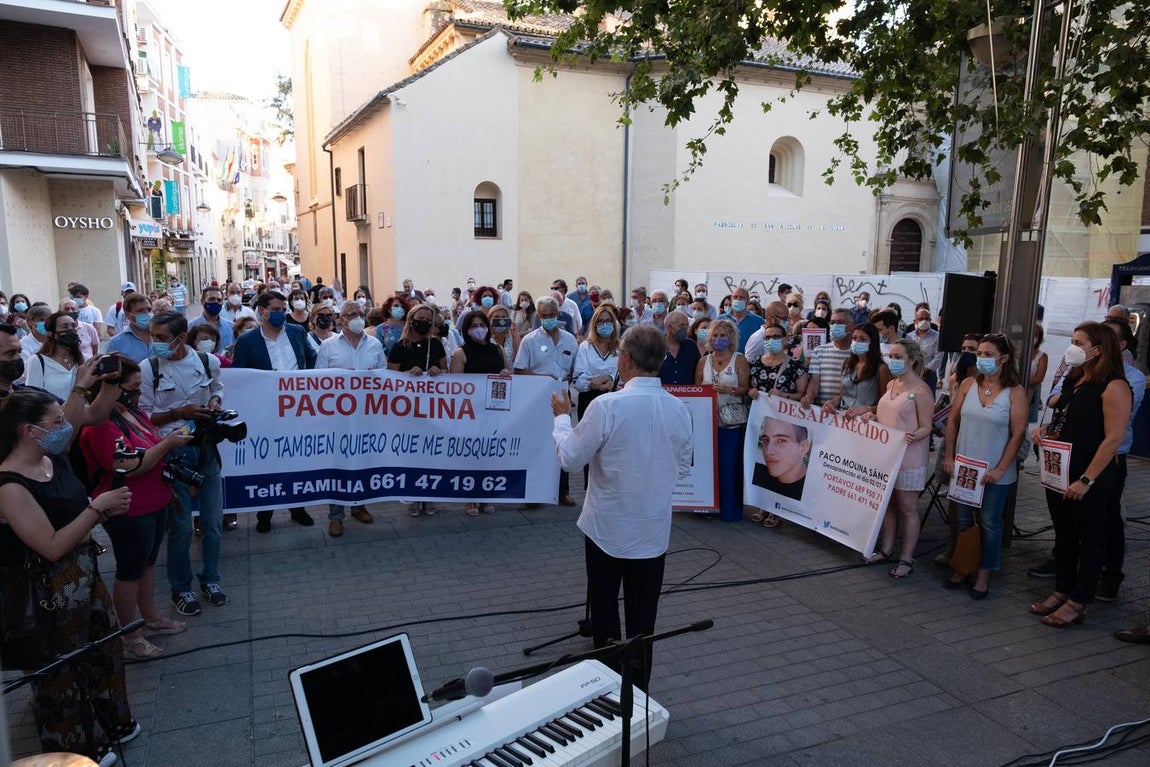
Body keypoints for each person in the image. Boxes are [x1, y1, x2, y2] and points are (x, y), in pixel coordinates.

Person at [551, 324, 692, 692]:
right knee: (644, 620)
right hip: (651, 530)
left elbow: (568, 458)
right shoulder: (679, 409)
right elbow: (685, 466)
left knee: (605, 613)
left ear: (625, 359)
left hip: (607, 529)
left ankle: (609, 692)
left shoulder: (607, 405)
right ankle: (640, 693)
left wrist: (562, 418)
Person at [0, 389, 135, 765]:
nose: (65, 427)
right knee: (60, 676)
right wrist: (97, 510)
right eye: (57, 421)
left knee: (104, 653)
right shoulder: (10, 485)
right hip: (49, 594)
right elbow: (51, 546)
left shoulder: (53, 460)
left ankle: (112, 726)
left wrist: (98, 514)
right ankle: (73, 751)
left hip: (85, 577)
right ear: (29, 430)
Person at [79, 360, 193, 658]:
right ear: (109, 387)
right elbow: (124, 465)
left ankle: (151, 617)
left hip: (155, 502)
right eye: (130, 388)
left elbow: (150, 443)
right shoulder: (100, 424)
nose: (137, 393)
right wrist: (167, 445)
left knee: (148, 564)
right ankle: (130, 634)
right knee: (130, 571)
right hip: (128, 510)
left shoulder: (132, 413)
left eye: (139, 387)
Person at [1029, 322, 1131, 628]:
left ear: (1098, 350)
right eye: (1072, 340)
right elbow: (1067, 418)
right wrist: (1047, 429)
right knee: (1064, 534)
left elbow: (1113, 439)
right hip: (1060, 470)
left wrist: (1086, 480)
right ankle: (1063, 588)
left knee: (1090, 537)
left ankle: (1079, 599)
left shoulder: (1114, 386)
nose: (1072, 347)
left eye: (1079, 342)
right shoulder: (1076, 378)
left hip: (1089, 475)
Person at [139, 311, 228, 616]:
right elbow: (145, 416)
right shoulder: (148, 369)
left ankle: (211, 579)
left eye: (161, 337)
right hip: (172, 453)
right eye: (152, 336)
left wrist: (214, 404)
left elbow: (217, 390)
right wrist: (181, 412)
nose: (155, 342)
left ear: (180, 338)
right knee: (180, 529)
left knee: (213, 524)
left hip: (205, 449)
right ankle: (181, 587)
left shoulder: (208, 362)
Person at [941, 334, 1028, 597]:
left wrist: (1001, 468)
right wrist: (949, 455)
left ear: (1004, 358)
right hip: (965, 467)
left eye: (988, 354)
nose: (981, 359)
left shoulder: (1015, 392)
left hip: (995, 472)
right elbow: (953, 421)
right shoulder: (968, 384)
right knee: (963, 519)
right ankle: (964, 565)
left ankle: (984, 573)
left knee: (990, 522)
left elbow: (1018, 434)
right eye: (979, 354)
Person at [232, 291, 318, 533]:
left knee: (297, 460)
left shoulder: (297, 332)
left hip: (298, 410)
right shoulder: (248, 341)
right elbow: (240, 376)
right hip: (266, 412)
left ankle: (298, 508)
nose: (282, 312)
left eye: (284, 308)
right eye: (277, 308)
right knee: (268, 462)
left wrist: (306, 384)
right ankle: (265, 513)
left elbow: (313, 359)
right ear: (263, 310)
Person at [862, 339, 934, 578]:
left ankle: (907, 558)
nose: (891, 361)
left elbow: (927, 426)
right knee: (889, 505)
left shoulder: (921, 391)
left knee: (908, 509)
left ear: (911, 360)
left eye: (897, 356)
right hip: (886, 456)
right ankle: (886, 549)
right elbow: (885, 415)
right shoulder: (891, 384)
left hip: (909, 458)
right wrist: (872, 420)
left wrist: (915, 435)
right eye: (890, 356)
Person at [316, 299, 385, 536]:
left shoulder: (375, 344)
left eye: (360, 313)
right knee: (338, 464)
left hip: (366, 415)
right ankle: (336, 516)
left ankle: (359, 505)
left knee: (362, 461)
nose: (357, 317)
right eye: (351, 314)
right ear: (341, 320)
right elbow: (318, 381)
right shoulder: (328, 346)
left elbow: (384, 378)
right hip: (338, 417)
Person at [1094, 319, 1145, 602]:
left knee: (1109, 517)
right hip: (1082, 451)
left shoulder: (1131, 378)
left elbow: (1113, 419)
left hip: (1113, 456)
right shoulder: (1084, 371)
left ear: (1121, 345)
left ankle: (1111, 575)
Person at [514, 296, 579, 507]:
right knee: (537, 445)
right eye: (544, 316)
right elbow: (519, 370)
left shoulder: (570, 339)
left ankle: (563, 492)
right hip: (537, 400)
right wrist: (542, 379)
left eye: (551, 315)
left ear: (558, 315)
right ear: (538, 316)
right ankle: (534, 493)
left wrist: (571, 376)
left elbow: (576, 369)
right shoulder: (530, 340)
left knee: (563, 442)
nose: (548, 319)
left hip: (562, 399)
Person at [388, 303, 448, 516]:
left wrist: (437, 370)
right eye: (420, 318)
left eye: (427, 319)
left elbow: (447, 372)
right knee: (411, 452)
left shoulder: (437, 345)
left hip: (432, 409)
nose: (423, 322)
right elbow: (390, 378)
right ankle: (412, 494)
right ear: (411, 319)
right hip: (407, 410)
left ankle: (429, 495)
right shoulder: (399, 347)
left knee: (430, 451)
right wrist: (406, 374)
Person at [695, 318, 750, 521]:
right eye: (715, 336)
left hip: (731, 422)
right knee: (708, 466)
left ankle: (730, 509)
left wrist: (730, 390)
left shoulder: (740, 359)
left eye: (723, 336)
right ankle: (707, 507)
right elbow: (697, 389)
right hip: (707, 424)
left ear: (731, 338)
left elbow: (746, 387)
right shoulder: (703, 361)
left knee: (729, 467)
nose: (719, 340)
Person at [823, 323, 890, 418]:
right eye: (854, 338)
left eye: (862, 339)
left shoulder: (881, 369)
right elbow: (841, 395)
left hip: (866, 422)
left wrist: (867, 409)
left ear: (872, 342)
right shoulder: (846, 364)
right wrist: (832, 402)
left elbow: (886, 405)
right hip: (843, 418)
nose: (857, 342)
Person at [27, 311, 85, 400]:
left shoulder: (85, 359)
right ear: (51, 333)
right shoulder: (37, 361)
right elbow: (33, 397)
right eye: (65, 326)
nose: (70, 330)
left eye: (73, 326)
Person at [751, 416, 810, 501]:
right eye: (765, 440)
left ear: (803, 448)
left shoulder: (812, 494)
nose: (768, 451)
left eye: (781, 440)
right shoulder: (755, 473)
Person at [106, 292, 154, 362]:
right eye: (140, 311)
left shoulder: (163, 337)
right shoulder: (116, 343)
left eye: (149, 310)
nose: (147, 313)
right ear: (128, 315)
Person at [188, 285, 234, 353]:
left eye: (219, 300)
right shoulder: (190, 326)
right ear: (202, 301)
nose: (216, 302)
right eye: (211, 299)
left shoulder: (231, 326)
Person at [659, 309, 700, 385]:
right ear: (669, 327)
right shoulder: (656, 346)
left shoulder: (691, 347)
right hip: (662, 394)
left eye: (687, 325)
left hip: (688, 395)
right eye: (681, 325)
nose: (685, 328)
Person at [719, 286, 764, 355]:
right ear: (731, 299)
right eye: (735, 297)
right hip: (726, 361)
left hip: (750, 362)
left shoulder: (759, 321)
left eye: (741, 297)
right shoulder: (720, 320)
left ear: (748, 301)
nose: (738, 300)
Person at [906, 305, 942, 392]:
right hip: (911, 374)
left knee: (927, 400)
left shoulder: (937, 337)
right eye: (921, 319)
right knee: (910, 398)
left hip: (929, 375)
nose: (924, 321)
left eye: (927, 319)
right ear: (915, 321)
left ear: (930, 320)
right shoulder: (909, 336)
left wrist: (924, 370)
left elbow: (938, 357)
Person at [1027, 322, 1049, 423]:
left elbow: (1039, 378)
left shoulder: (1042, 356)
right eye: (1030, 334)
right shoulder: (1016, 352)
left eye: (1035, 335)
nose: (1032, 338)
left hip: (1030, 392)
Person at [488, 303, 520, 368]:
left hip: (510, 375)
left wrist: (515, 334)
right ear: (490, 319)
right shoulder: (486, 337)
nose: (500, 320)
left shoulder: (511, 336)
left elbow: (518, 359)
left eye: (503, 317)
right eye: (496, 317)